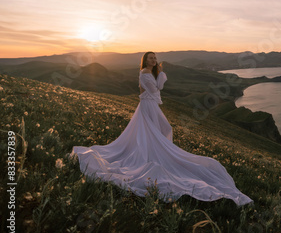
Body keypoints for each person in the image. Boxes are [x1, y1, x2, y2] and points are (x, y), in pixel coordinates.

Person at [71, 51, 253, 206]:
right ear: (145, 60)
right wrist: (163, 75)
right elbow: (155, 89)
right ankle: (158, 153)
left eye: (155, 57)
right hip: (148, 106)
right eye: (151, 58)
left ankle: (158, 151)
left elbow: (155, 90)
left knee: (161, 130)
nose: (154, 60)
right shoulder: (144, 72)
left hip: (150, 105)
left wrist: (159, 77)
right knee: (162, 129)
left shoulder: (149, 72)